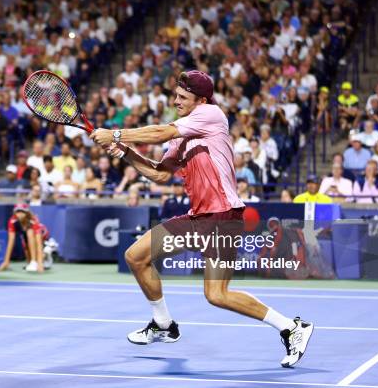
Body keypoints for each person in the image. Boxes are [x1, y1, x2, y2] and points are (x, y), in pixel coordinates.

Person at [90, 70, 313, 368]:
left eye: (183, 97)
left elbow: (160, 133)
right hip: (198, 217)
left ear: (202, 100)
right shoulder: (184, 132)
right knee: (136, 256)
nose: (176, 100)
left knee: (217, 295)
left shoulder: (211, 114)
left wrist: (115, 133)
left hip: (223, 216)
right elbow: (160, 172)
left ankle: (290, 327)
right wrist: (125, 152)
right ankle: (163, 324)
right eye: (176, 95)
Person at [0, 203, 46, 273]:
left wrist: (40, 263)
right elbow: (11, 241)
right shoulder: (12, 221)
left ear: (27, 212)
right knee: (28, 258)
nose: (20, 214)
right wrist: (6, 261)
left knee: (30, 232)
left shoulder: (33, 220)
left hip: (42, 235)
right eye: (18, 211)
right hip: (27, 237)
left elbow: (38, 243)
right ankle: (33, 260)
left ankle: (37, 259)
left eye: (22, 211)